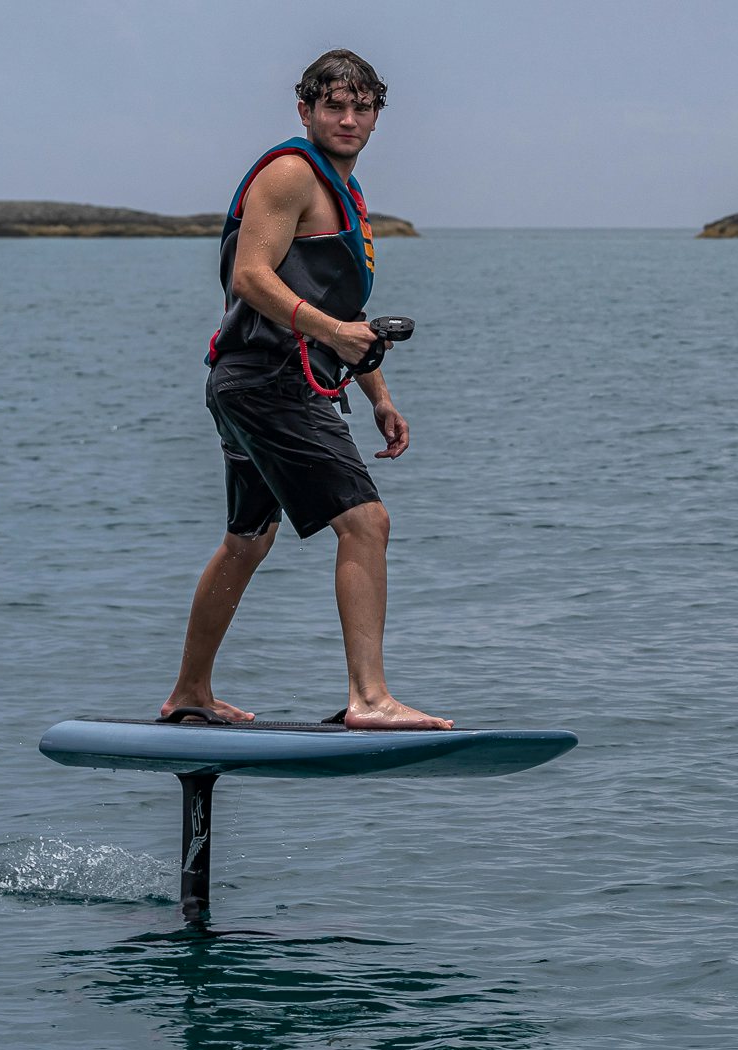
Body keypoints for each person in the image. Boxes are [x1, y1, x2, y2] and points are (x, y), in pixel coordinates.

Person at [159, 49, 449, 731]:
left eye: (362, 106)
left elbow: (341, 314)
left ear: (378, 114)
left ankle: (190, 693)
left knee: (248, 539)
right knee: (366, 522)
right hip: (268, 381)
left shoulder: (342, 192)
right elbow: (251, 278)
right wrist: (332, 333)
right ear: (306, 111)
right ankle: (370, 699)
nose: (348, 118)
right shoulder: (292, 175)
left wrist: (377, 394)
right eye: (333, 105)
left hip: (254, 382)